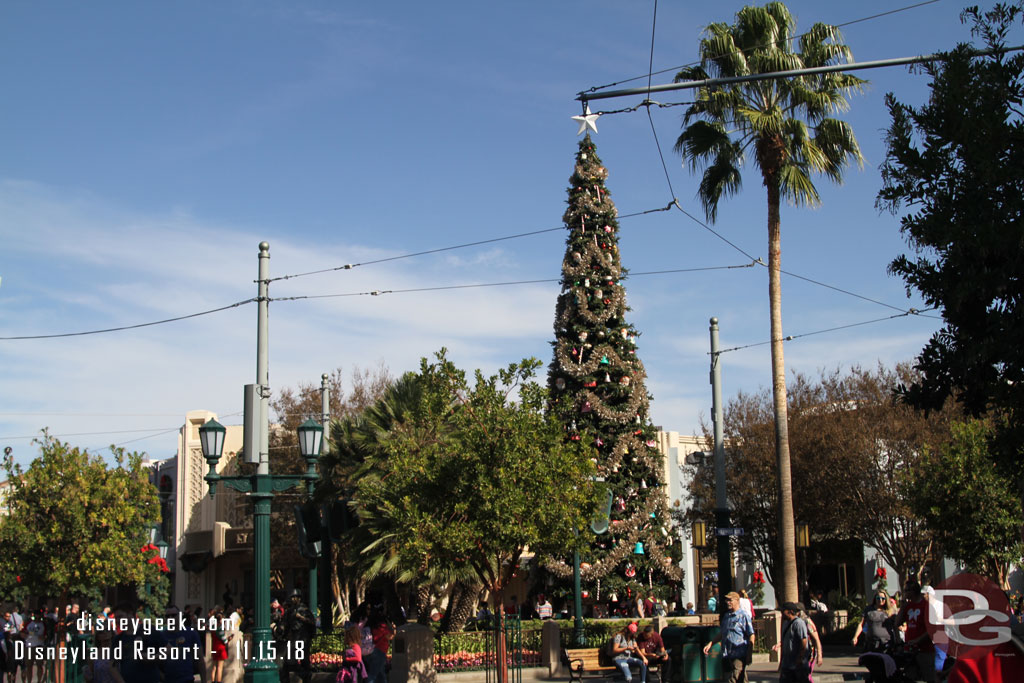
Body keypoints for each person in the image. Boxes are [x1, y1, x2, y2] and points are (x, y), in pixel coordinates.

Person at [703, 592, 754, 683]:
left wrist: (750, 652)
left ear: (737, 601)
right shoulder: (727, 616)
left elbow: (751, 634)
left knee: (733, 678)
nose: (728, 602)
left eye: (730, 600)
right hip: (728, 653)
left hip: (740, 653)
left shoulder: (743, 615)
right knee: (741, 678)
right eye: (727, 600)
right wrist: (710, 644)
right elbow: (722, 633)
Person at [896, 581, 936, 682]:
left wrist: (917, 640)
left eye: (906, 591)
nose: (904, 593)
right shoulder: (908, 606)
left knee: (929, 677)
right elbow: (897, 623)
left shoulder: (926, 606)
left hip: (925, 649)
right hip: (910, 649)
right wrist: (903, 607)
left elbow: (932, 629)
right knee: (910, 677)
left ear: (913, 591)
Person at [157, 606, 207, 683]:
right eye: (167, 616)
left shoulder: (191, 633)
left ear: (179, 616)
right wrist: (161, 676)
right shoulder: (161, 636)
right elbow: (155, 661)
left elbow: (200, 659)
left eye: (173, 615)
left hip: (187, 679)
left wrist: (204, 681)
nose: (171, 618)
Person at [279, 589, 315, 683]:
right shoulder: (289, 611)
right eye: (292, 597)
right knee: (287, 663)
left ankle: (306, 676)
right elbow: (285, 624)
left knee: (304, 662)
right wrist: (282, 630)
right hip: (294, 638)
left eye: (295, 597)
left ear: (299, 598)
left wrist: (301, 618)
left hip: (303, 638)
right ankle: (304, 675)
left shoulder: (305, 610)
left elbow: (312, 623)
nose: (293, 599)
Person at [779, 602, 810, 683]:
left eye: (783, 611)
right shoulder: (785, 623)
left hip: (797, 665)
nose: (782, 613)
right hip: (786, 665)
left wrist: (800, 657)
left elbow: (803, 640)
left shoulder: (799, 623)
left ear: (790, 611)